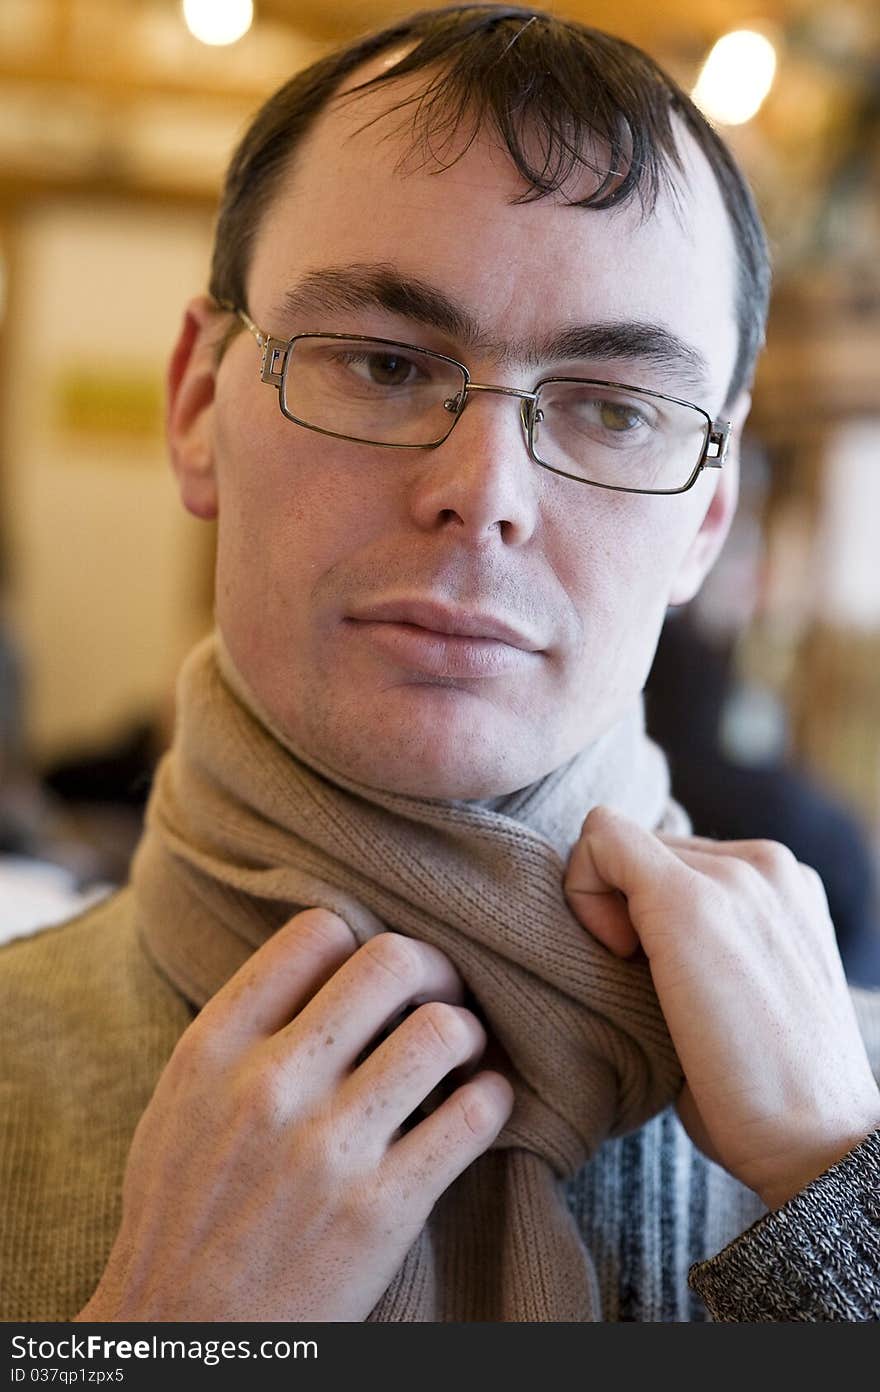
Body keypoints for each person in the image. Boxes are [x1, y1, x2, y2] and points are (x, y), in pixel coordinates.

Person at [2, 4, 879, 1324]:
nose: (486, 493)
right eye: (383, 363)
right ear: (195, 407)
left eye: (614, 407)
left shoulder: (850, 1109)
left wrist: (840, 1198)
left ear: (707, 512)